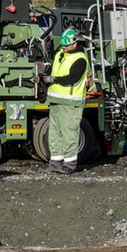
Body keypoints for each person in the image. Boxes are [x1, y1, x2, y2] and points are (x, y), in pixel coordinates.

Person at [46, 27, 89, 173]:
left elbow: (72, 78)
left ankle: (70, 165)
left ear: (75, 44)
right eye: (62, 44)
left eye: (66, 45)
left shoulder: (80, 59)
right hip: (56, 100)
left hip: (71, 102)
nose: (63, 47)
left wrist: (54, 79)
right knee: (55, 133)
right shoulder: (60, 54)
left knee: (69, 133)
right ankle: (55, 163)